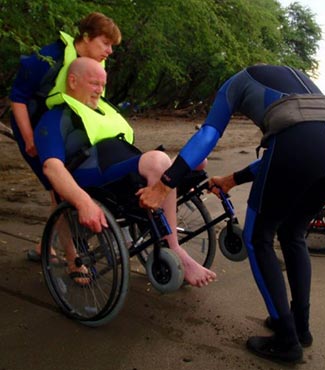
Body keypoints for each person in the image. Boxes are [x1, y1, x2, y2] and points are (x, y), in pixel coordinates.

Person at [137, 64, 325, 363]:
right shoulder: (296, 81)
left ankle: (286, 339)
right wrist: (232, 180)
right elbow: (296, 150)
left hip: (302, 142)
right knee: (293, 234)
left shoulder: (233, 84)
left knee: (257, 237)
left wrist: (165, 184)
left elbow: (209, 135)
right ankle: (300, 328)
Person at [34, 57, 216, 287]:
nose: (100, 91)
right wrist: (83, 202)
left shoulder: (103, 111)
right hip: (96, 180)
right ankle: (174, 247)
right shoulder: (55, 118)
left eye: (103, 85)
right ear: (72, 81)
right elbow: (52, 167)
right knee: (158, 160)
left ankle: (167, 182)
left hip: (125, 170)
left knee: (197, 161)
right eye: (94, 84)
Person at [9, 12, 122, 261]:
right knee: (59, 191)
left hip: (65, 128)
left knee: (61, 188)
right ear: (86, 37)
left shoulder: (93, 66)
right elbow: (17, 98)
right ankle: (73, 260)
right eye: (105, 43)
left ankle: (43, 246)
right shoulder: (46, 59)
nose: (110, 51)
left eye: (112, 45)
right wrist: (29, 138)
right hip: (36, 127)